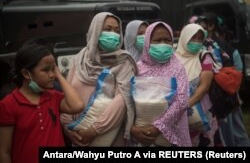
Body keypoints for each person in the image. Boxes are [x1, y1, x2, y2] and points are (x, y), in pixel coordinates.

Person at [0, 38, 84, 163]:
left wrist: (59, 74)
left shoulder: (53, 97)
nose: (52, 75)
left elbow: (77, 105)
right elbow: (4, 151)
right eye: (46, 70)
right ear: (26, 74)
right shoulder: (9, 104)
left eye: (53, 69)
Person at [60, 12, 138, 146]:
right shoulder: (80, 58)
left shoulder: (124, 62)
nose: (113, 34)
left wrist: (93, 130)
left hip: (108, 138)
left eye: (116, 31)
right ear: (95, 30)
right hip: (77, 134)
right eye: (107, 29)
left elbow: (122, 101)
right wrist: (67, 126)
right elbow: (67, 94)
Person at [125, 21, 192, 147]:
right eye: (158, 40)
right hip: (141, 135)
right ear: (147, 43)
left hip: (173, 133)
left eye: (167, 40)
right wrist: (132, 129)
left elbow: (182, 100)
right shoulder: (136, 68)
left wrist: (158, 127)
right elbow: (127, 101)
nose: (163, 44)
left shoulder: (177, 67)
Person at [176, 23, 219, 146]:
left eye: (200, 38)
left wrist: (185, 105)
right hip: (178, 113)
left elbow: (204, 86)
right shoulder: (173, 58)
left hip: (201, 111)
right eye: (193, 37)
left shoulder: (205, 56)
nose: (197, 41)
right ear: (185, 37)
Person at [216, 24, 250, 146]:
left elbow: (237, 76)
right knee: (235, 130)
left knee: (232, 130)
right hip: (230, 97)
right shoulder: (232, 51)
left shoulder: (228, 52)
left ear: (222, 35)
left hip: (228, 98)